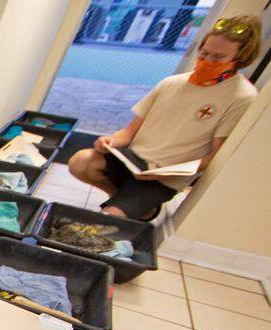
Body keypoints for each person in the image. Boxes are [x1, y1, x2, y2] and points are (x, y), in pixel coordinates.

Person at [68, 15, 260, 221]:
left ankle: (133, 207)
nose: (207, 61)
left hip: (166, 177)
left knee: (109, 219)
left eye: (218, 58)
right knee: (81, 162)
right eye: (204, 53)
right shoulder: (172, 83)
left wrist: (164, 174)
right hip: (134, 161)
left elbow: (212, 158)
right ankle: (123, 199)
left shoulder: (241, 97)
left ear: (240, 59)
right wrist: (112, 141)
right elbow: (130, 132)